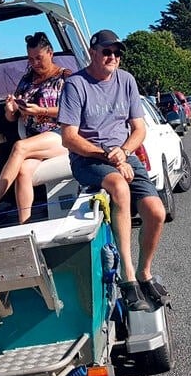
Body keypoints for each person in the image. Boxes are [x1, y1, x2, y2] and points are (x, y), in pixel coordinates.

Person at [58, 29, 167, 312]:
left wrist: (124, 153)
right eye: (107, 51)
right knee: (119, 186)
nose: (113, 57)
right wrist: (109, 156)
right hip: (88, 159)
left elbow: (139, 129)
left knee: (157, 212)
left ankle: (145, 273)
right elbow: (69, 137)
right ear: (92, 53)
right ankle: (127, 278)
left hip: (124, 155)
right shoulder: (76, 84)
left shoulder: (127, 80)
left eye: (117, 53)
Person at [0, 32, 71, 224]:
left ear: (50, 53)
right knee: (23, 171)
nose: (34, 63)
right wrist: (10, 109)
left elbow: (74, 110)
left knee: (19, 147)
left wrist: (41, 110)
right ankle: (25, 224)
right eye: (30, 59)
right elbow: (11, 117)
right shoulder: (26, 80)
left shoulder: (66, 78)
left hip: (62, 135)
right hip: (36, 139)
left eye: (38, 58)